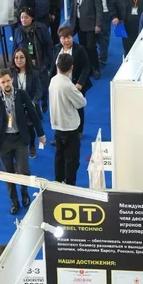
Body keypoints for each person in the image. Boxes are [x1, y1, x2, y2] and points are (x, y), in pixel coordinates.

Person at [0, 68, 46, 214]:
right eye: (3, 82)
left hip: (20, 139)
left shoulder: (22, 94)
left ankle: (24, 193)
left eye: (8, 81)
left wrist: (41, 134)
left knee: (24, 170)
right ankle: (14, 202)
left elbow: (33, 114)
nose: (6, 84)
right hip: (4, 141)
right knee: (8, 174)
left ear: (12, 80)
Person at [49, 53, 86, 185]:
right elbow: (81, 102)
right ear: (71, 68)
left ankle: (58, 181)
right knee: (72, 160)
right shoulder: (68, 85)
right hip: (70, 127)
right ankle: (70, 185)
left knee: (59, 156)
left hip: (57, 125)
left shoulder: (53, 80)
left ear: (57, 65)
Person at [13, 8, 53, 112]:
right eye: (22, 17)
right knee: (29, 86)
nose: (23, 20)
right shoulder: (18, 31)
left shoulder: (41, 28)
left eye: (26, 17)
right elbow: (15, 49)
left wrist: (48, 63)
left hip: (40, 63)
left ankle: (44, 101)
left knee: (43, 86)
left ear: (32, 18)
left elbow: (49, 46)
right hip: (26, 64)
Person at [55, 24, 91, 136]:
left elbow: (86, 67)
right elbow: (52, 67)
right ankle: (60, 133)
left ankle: (79, 131)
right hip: (60, 86)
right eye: (64, 38)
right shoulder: (57, 49)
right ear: (60, 39)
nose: (67, 40)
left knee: (78, 107)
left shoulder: (79, 49)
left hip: (76, 85)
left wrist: (80, 83)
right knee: (60, 108)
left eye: (69, 37)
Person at [68, 0, 102, 79]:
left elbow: (99, 9)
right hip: (78, 22)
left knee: (91, 47)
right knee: (82, 47)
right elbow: (73, 6)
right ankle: (87, 68)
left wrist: (98, 24)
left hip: (90, 24)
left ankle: (96, 68)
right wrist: (72, 21)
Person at [11, 47, 42, 155]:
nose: (19, 60)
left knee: (29, 128)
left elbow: (39, 91)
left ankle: (32, 145)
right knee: (14, 128)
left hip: (30, 107)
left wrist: (33, 102)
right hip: (14, 107)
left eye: (21, 57)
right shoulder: (10, 73)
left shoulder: (34, 73)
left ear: (26, 59)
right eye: (16, 58)